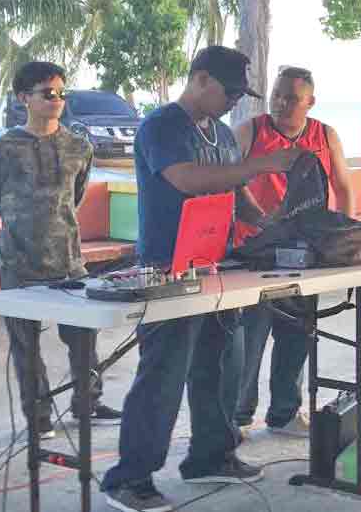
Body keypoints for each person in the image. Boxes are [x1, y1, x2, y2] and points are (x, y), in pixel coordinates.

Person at [100, 46, 304, 512]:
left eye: (240, 94)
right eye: (229, 91)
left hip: (217, 266)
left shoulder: (223, 134)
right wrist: (263, 164)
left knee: (222, 364)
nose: (234, 100)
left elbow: (235, 191)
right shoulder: (162, 127)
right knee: (164, 373)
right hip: (168, 270)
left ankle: (211, 455)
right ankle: (129, 478)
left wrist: (267, 223)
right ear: (200, 79)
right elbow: (188, 180)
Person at [0, 62, 123, 439]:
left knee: (84, 338)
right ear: (23, 98)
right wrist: (1, 248)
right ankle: (39, 417)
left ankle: (88, 403)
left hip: (69, 262)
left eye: (62, 93)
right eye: (48, 93)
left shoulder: (79, 147)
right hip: (18, 265)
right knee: (25, 347)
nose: (57, 100)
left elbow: (73, 199)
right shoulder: (1, 151)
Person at [231, 66, 354, 437]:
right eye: (277, 95)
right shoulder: (250, 131)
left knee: (297, 336)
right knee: (249, 340)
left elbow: (343, 188)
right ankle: (237, 418)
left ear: (310, 102)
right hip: (254, 255)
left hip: (305, 256)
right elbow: (229, 180)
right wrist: (258, 218)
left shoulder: (325, 135)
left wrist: (339, 241)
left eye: (292, 98)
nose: (282, 104)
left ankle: (284, 414)